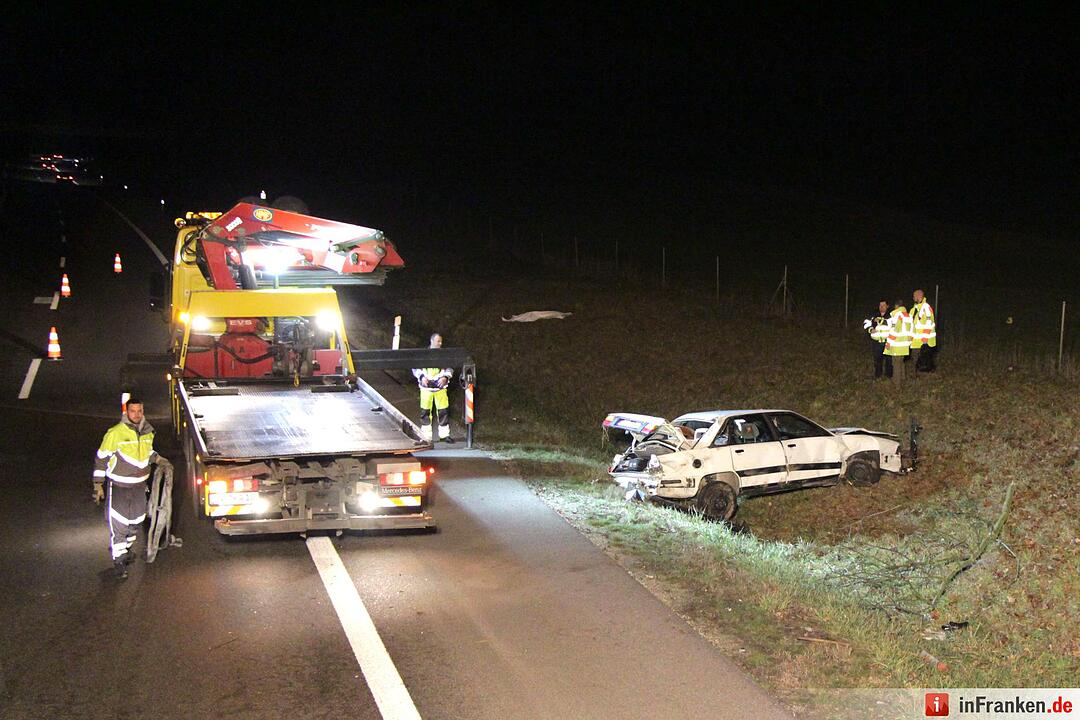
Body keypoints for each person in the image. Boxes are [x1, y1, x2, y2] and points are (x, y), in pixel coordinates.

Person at [92, 398, 170, 579]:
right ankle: (118, 561)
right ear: (126, 412)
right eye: (133, 411)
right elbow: (101, 458)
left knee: (136, 520)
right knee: (119, 522)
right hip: (119, 486)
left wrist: (158, 459)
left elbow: (147, 453)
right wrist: (98, 485)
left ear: (143, 412)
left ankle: (125, 551)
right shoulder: (115, 433)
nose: (136, 414)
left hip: (139, 486)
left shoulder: (148, 431)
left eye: (139, 411)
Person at [412, 333, 454, 443]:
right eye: (438, 341)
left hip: (441, 388)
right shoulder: (423, 354)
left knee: (443, 412)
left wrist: (445, 377)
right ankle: (426, 436)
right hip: (426, 389)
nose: (440, 343)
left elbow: (450, 368)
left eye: (441, 341)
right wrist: (422, 377)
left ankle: (445, 435)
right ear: (432, 341)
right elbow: (415, 368)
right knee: (425, 413)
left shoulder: (444, 355)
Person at [883, 299, 912, 386]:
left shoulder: (897, 316)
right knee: (901, 362)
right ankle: (902, 378)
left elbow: (894, 331)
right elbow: (912, 330)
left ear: (896, 306)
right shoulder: (908, 315)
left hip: (897, 344)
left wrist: (888, 343)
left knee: (896, 364)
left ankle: (896, 383)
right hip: (904, 345)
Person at [862, 299, 892, 380]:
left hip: (887, 342)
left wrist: (880, 320)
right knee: (877, 360)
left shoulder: (891, 316)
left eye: (883, 305)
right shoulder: (874, 315)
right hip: (876, 342)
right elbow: (866, 323)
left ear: (887, 306)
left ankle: (888, 376)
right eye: (880, 305)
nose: (881, 307)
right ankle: (878, 375)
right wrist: (870, 329)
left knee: (889, 361)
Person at [909, 288, 937, 373]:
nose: (913, 298)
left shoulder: (926, 308)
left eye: (914, 296)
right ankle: (916, 374)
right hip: (915, 340)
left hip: (924, 341)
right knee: (916, 359)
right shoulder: (914, 309)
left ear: (918, 296)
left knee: (925, 359)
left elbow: (929, 323)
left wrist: (925, 337)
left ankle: (924, 375)